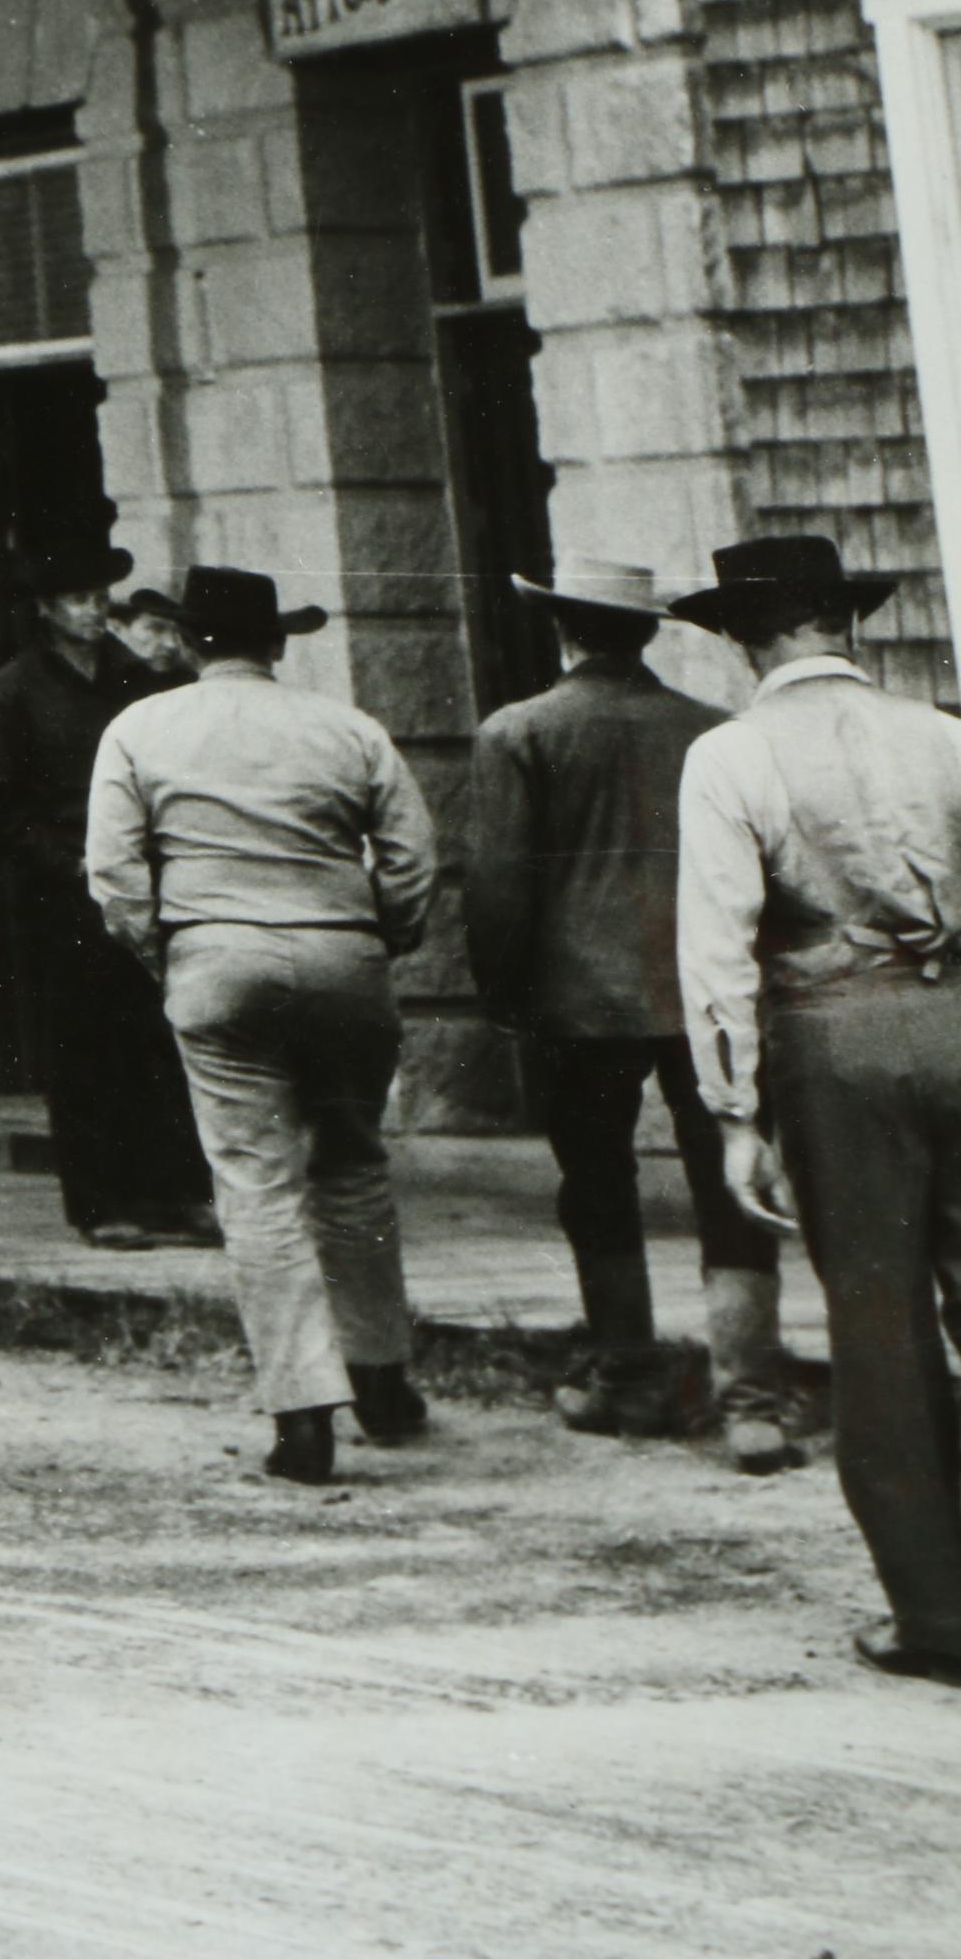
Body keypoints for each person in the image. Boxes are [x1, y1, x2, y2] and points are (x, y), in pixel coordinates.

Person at [671, 532, 961, 1687]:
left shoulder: (730, 756)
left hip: (836, 1041)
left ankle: (937, 1613)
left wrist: (734, 1110)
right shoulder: (945, 732)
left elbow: (716, 946)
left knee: (879, 1324)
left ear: (745, 638)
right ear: (846, 623)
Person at [87, 565, 437, 1485]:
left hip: (215, 958)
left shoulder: (139, 728)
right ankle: (384, 1381)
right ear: (278, 643)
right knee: (354, 1164)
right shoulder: (347, 727)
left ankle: (303, 1414)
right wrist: (375, 939)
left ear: (188, 644)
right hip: (344, 957)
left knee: (256, 1182)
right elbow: (409, 858)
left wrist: (173, 958)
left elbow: (116, 877)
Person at [467, 555, 797, 1466]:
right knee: (732, 1182)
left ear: (562, 629)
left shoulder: (518, 732)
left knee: (597, 1184)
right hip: (703, 990)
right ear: (647, 632)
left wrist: (501, 995)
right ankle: (753, 1402)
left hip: (579, 1002)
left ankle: (628, 1376)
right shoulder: (714, 729)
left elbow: (499, 885)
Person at [0, 533, 215, 1249]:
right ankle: (104, 1203)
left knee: (163, 1041)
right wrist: (61, 863)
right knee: (86, 1052)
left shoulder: (141, 682)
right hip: (63, 899)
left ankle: (180, 1195)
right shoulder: (11, 694)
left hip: (152, 888)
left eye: (100, 599)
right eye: (76, 600)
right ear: (46, 610)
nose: (93, 612)